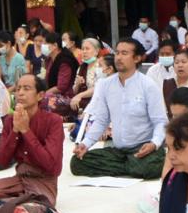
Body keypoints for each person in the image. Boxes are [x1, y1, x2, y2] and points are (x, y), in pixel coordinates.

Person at [71, 38, 168, 178]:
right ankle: (130, 165)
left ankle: (129, 165)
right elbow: (101, 120)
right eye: (117, 53)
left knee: (148, 167)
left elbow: (160, 121)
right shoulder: (105, 85)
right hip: (118, 151)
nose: (119, 57)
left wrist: (154, 144)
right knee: (76, 163)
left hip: (143, 148)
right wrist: (85, 144)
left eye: (124, 53)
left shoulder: (148, 85)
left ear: (137, 58)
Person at [0, 74, 64, 205]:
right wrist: (15, 130)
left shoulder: (53, 121)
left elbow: (51, 165)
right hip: (19, 179)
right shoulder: (10, 120)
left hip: (43, 182)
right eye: (18, 89)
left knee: (35, 206)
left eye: (26, 88)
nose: (20, 93)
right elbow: (2, 161)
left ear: (40, 96)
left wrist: (26, 131)